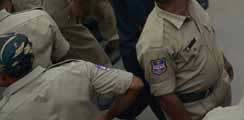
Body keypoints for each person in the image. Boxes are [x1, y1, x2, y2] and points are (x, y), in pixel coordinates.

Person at [137, 0, 234, 118]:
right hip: (198, 110)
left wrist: (223, 61)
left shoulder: (189, 2)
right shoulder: (155, 43)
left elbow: (205, 36)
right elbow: (165, 96)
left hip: (220, 89)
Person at [0, 32, 143, 120]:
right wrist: (108, 115)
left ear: (4, 77)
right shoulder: (77, 69)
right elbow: (135, 85)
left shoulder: (6, 113)